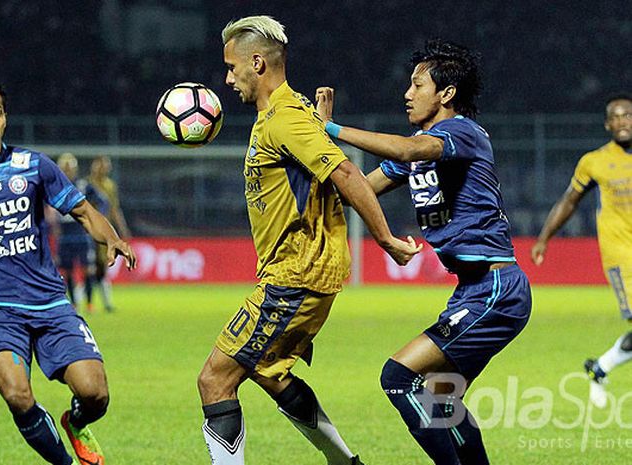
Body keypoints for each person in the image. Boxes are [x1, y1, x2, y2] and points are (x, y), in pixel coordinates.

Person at [198, 16, 422, 465]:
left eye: (231, 67)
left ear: (256, 63)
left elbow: (344, 172)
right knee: (269, 373)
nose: (227, 78)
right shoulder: (291, 113)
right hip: (299, 273)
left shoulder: (284, 119)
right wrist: (322, 123)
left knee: (214, 381)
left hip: (295, 275)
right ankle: (345, 462)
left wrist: (386, 240)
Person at [316, 39, 532, 465]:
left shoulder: (461, 134)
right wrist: (316, 154)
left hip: (496, 289)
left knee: (399, 377)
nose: (407, 94)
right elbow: (361, 190)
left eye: (417, 85)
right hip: (475, 290)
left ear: (446, 94)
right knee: (443, 399)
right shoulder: (422, 146)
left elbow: (408, 149)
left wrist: (333, 128)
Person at [0, 74, 137, 465]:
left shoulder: (33, 166)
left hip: (49, 305)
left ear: (6, 119)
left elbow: (81, 209)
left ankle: (76, 422)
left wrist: (110, 237)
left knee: (95, 394)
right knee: (18, 395)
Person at [531, 94, 632, 408]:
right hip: (621, 254)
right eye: (615, 117)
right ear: (607, 124)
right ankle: (601, 367)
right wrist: (544, 237)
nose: (621, 121)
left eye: (627, 114)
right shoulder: (595, 161)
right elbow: (569, 201)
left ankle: (600, 367)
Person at [53, 153, 108, 313]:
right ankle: (74, 304)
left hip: (81, 233)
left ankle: (90, 303)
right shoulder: (55, 186)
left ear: (75, 169)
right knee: (67, 270)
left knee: (87, 269)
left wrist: (96, 217)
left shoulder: (83, 185)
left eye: (70, 167)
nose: (67, 170)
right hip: (64, 235)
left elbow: (103, 200)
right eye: (64, 167)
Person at [88, 155, 130, 312]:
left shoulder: (110, 186)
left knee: (101, 266)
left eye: (106, 165)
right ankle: (83, 300)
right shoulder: (87, 184)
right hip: (89, 230)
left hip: (104, 232)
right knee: (91, 266)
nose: (104, 167)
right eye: (101, 164)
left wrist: (122, 228)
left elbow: (114, 208)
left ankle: (102, 302)